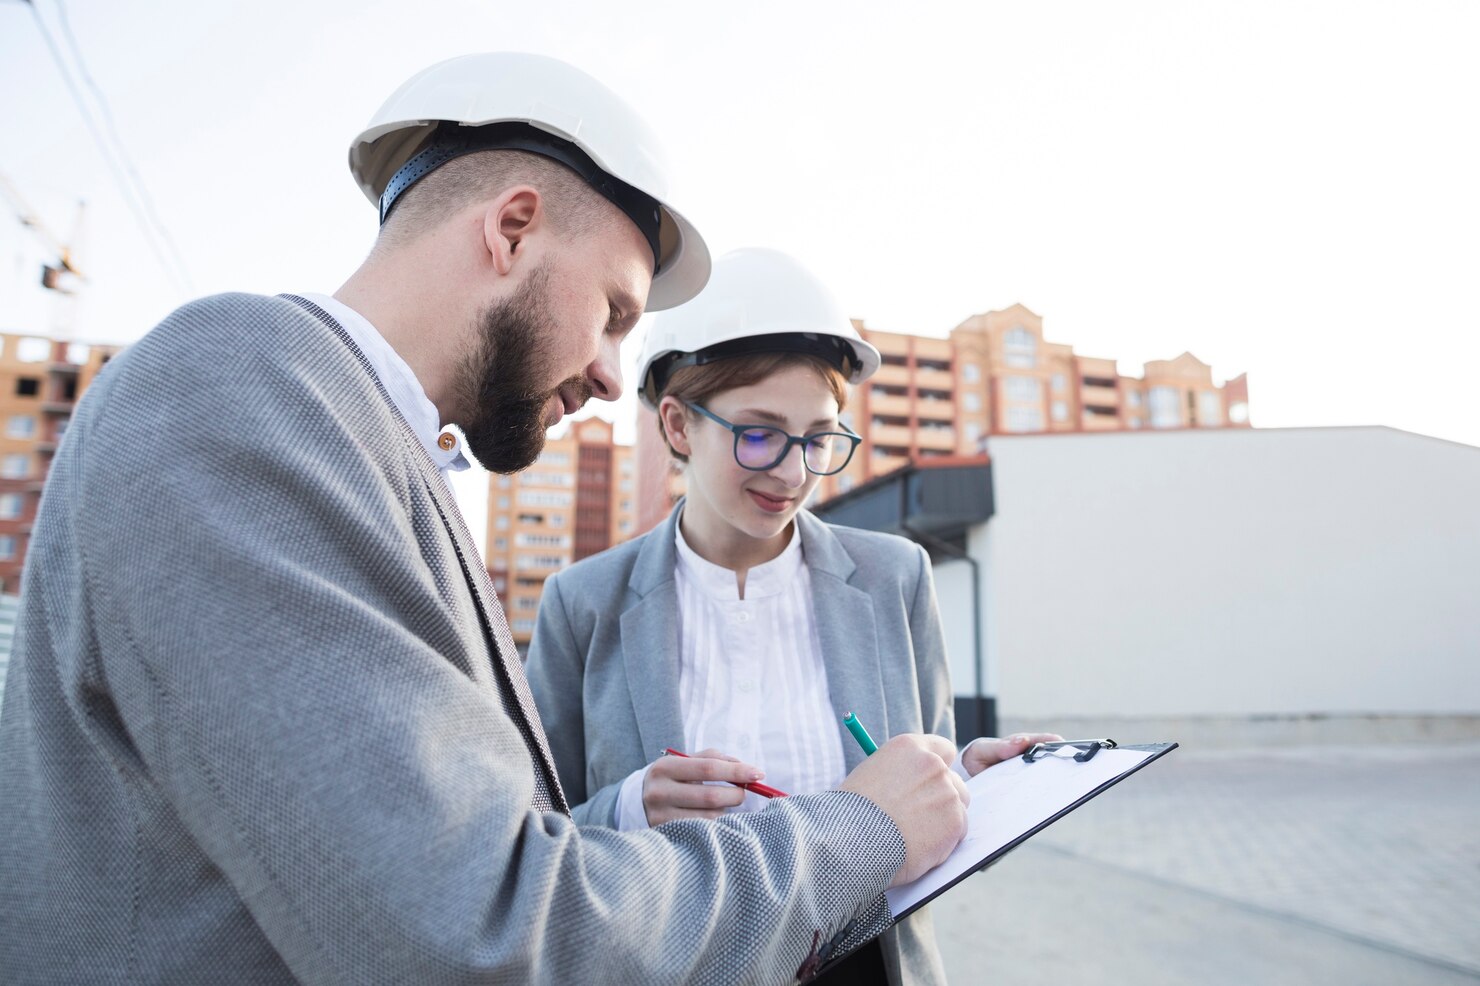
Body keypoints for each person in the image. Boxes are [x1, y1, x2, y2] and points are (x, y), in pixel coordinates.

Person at [0, 54, 973, 985]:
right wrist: (859, 826)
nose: (607, 371)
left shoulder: (363, 443)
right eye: (615, 310)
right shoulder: (237, 389)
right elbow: (481, 937)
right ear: (511, 229)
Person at [525, 248, 1062, 985]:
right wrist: (622, 808)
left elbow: (924, 770)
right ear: (679, 426)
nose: (794, 471)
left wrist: (968, 777)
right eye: (760, 433)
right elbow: (528, 843)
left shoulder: (894, 578)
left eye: (819, 437)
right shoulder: (584, 603)